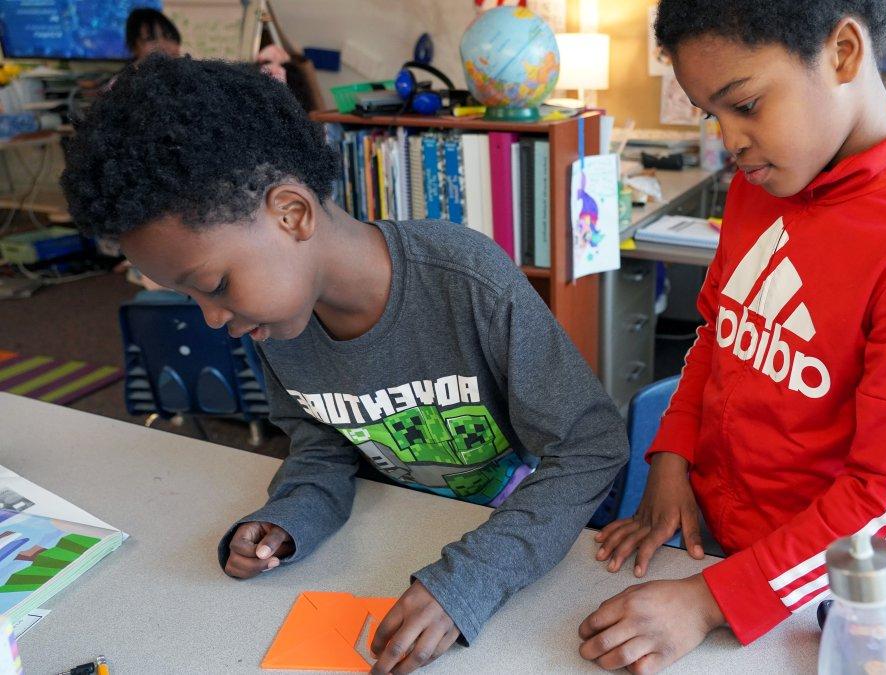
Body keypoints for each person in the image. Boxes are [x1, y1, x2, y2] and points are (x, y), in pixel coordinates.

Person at [60, 55, 628, 674]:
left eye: (215, 283)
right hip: (407, 544)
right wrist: (288, 517)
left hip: (543, 557)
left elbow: (590, 446)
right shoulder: (277, 321)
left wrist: (472, 577)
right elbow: (321, 444)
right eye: (190, 298)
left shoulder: (466, 282)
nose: (212, 318)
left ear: (292, 214)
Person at [578, 1, 886, 672]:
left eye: (745, 104)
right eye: (714, 115)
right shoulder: (762, 181)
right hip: (715, 537)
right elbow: (718, 334)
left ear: (843, 54)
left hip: (824, 581)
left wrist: (711, 600)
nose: (730, 141)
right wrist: (672, 453)